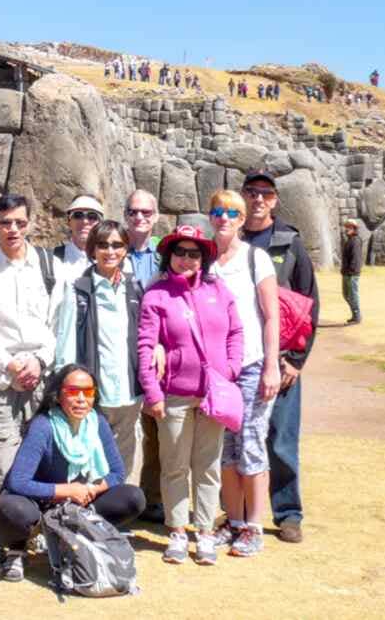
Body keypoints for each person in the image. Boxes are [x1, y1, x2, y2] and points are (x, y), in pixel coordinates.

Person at [138, 224, 243, 566]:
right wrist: (152, 392)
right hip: (174, 395)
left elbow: (236, 332)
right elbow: (144, 347)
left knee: (209, 466)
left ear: (204, 258)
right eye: (179, 252)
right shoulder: (157, 295)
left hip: (214, 392)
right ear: (169, 255)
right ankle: (178, 531)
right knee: (174, 466)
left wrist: (230, 369)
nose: (186, 259)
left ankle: (205, 532)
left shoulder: (219, 290)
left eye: (193, 253)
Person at [0, 193, 57, 562]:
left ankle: (32, 530)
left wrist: (38, 360)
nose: (13, 229)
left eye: (19, 222)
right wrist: (11, 364)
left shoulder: (48, 267)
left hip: (40, 379)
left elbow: (57, 321)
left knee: (40, 462)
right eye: (6, 222)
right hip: (0, 382)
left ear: (30, 223)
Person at [0, 364, 145, 582]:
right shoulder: (43, 426)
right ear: (58, 395)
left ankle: (75, 534)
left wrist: (90, 490)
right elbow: (17, 481)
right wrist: (67, 490)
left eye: (89, 392)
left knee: (133, 497)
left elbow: (117, 472)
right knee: (12, 508)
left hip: (78, 504)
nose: (82, 398)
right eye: (73, 391)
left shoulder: (97, 422)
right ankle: (18, 550)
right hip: (40, 503)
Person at [239, 170, 319, 544]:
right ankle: (237, 510)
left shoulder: (289, 243)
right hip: (239, 359)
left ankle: (288, 512)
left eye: (265, 194)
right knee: (238, 437)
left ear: (275, 200)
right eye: (251, 192)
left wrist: (296, 361)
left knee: (281, 440)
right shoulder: (230, 239)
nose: (258, 199)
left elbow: (308, 304)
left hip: (281, 358)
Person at [207, 191, 280, 557]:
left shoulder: (256, 258)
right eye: (218, 211)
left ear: (240, 218)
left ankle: (254, 525)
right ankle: (233, 520)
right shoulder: (204, 260)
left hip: (251, 365)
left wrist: (271, 365)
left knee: (252, 444)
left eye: (232, 212)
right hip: (218, 372)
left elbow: (271, 315)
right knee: (225, 450)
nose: (224, 218)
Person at [55, 220, 143, 476]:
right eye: (103, 245)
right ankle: (89, 511)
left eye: (117, 245)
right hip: (93, 393)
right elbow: (66, 342)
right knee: (89, 459)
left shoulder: (134, 287)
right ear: (92, 249)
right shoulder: (78, 289)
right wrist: (68, 388)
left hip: (128, 393)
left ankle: (118, 511)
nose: (110, 251)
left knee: (122, 461)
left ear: (126, 249)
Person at [122, 190, 164, 522]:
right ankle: (113, 498)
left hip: (155, 354)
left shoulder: (166, 255)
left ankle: (153, 499)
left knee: (155, 431)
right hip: (118, 351)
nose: (139, 218)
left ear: (156, 216)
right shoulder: (111, 248)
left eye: (146, 213)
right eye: (133, 212)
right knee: (115, 429)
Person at [340, 219, 364, 325]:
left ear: (354, 228)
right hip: (346, 272)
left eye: (349, 227)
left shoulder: (355, 240)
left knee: (353, 295)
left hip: (352, 273)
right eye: (346, 227)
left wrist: (351, 271)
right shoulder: (349, 240)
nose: (346, 229)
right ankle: (355, 315)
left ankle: (357, 316)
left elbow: (356, 258)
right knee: (346, 295)